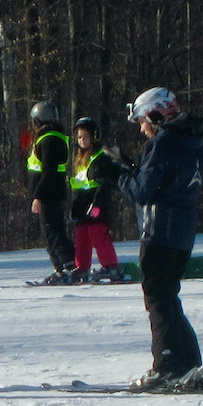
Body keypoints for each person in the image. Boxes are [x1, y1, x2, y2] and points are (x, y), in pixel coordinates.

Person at [117, 87, 203, 391]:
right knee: (168, 297)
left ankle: (166, 366)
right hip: (181, 233)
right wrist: (132, 168)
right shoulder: (189, 140)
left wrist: (115, 173)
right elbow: (162, 180)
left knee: (156, 297)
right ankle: (189, 364)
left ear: (156, 115)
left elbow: (142, 192)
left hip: (160, 232)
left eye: (143, 121)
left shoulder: (164, 142)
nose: (143, 129)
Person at [27, 102, 76, 283]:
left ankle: (69, 267)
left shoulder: (49, 139)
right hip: (51, 193)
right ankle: (60, 268)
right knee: (50, 232)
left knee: (54, 232)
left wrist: (38, 195)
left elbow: (49, 170)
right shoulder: (48, 138)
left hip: (50, 194)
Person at [68, 117, 121, 282]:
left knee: (98, 234)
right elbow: (80, 185)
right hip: (83, 203)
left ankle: (110, 266)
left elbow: (104, 183)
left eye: (85, 137)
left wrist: (97, 204)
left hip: (98, 203)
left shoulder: (101, 157)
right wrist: (75, 206)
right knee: (82, 235)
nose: (82, 140)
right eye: (79, 137)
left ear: (94, 137)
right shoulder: (80, 159)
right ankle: (82, 266)